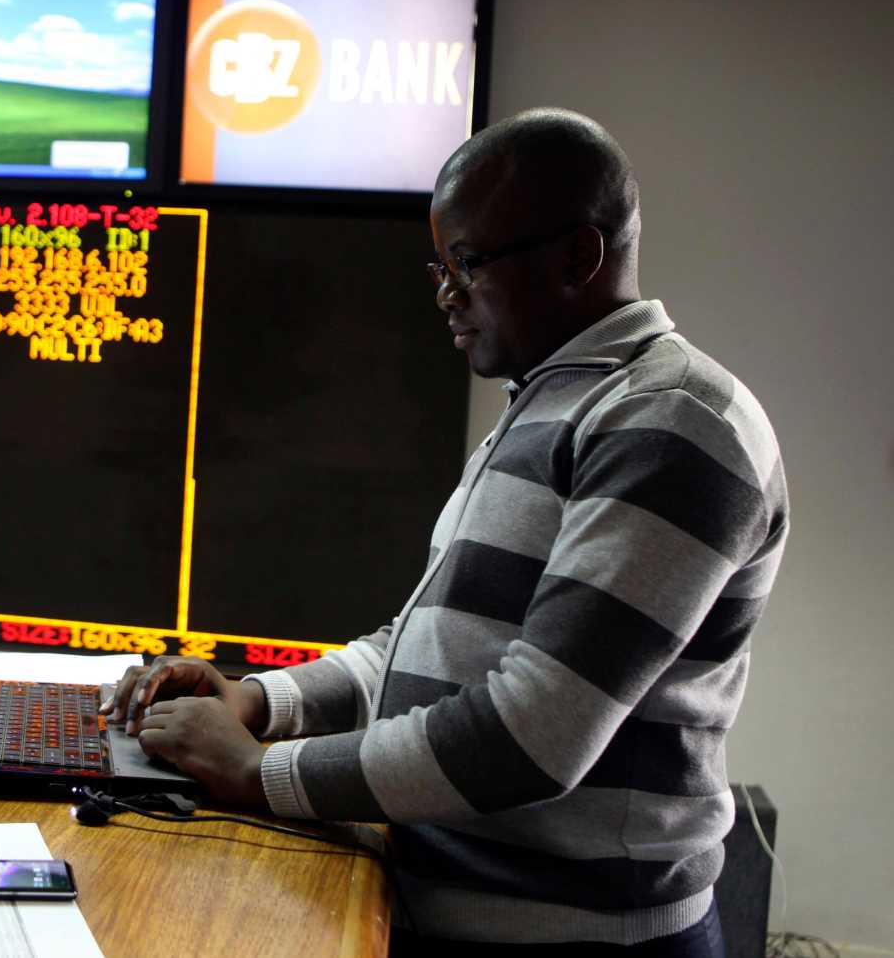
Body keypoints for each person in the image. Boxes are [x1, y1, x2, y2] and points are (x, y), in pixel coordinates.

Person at [100, 108, 788, 955]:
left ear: (579, 256)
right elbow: (418, 651)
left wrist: (255, 771)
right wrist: (260, 700)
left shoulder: (670, 420)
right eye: (441, 266)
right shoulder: (551, 404)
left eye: (467, 263)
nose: (444, 294)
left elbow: (534, 735)